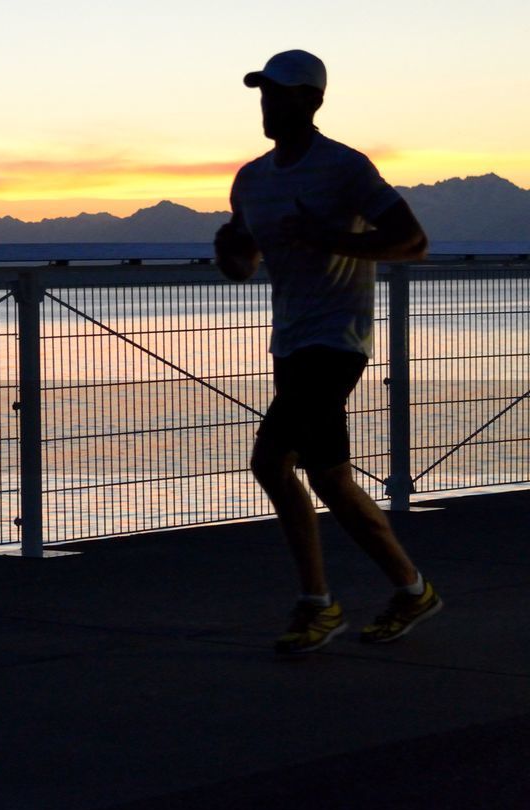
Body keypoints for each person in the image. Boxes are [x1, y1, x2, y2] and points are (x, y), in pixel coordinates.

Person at [214, 49, 442, 654]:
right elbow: (244, 262)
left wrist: (330, 237)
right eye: (263, 92)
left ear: (313, 101)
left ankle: (319, 603)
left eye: (281, 92)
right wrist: (229, 250)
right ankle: (409, 588)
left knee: (273, 462)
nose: (268, 102)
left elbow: (413, 242)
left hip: (337, 339)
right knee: (332, 477)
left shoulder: (344, 168)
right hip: (290, 342)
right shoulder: (251, 180)